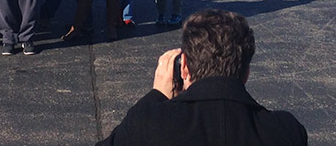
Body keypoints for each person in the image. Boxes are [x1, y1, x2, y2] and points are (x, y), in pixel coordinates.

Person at [96, 9, 307, 146]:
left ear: (184, 67)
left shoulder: (150, 122)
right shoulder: (286, 131)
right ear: (246, 74)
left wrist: (155, 97)